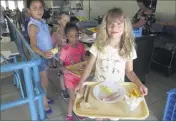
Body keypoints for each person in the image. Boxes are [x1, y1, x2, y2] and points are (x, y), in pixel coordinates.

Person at [75, 8, 148, 120]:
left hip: (117, 89)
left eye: (119, 24)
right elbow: (89, 66)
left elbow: (129, 71)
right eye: (111, 24)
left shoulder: (128, 48)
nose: (114, 28)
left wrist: (139, 84)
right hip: (98, 87)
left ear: (125, 27)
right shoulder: (98, 45)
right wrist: (80, 83)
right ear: (105, 26)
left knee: (114, 116)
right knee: (98, 115)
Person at [27, 0, 54, 114]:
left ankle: (45, 97)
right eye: (35, 8)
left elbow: (45, 38)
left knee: (46, 79)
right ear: (29, 11)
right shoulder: (33, 25)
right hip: (40, 58)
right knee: (43, 81)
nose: (39, 10)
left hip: (46, 56)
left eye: (41, 7)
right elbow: (33, 46)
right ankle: (44, 103)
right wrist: (43, 53)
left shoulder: (42, 21)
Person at [59, 23, 86, 121]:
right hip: (69, 78)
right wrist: (64, 69)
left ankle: (78, 112)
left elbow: (83, 59)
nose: (74, 38)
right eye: (71, 36)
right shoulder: (65, 50)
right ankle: (69, 115)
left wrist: (86, 65)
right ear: (66, 36)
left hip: (80, 77)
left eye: (76, 36)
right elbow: (60, 64)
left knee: (80, 95)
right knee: (72, 97)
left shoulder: (81, 46)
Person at [51, 12, 70, 99]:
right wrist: (56, 51)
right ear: (59, 21)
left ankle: (70, 85)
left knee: (70, 71)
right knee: (62, 72)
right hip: (61, 56)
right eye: (65, 20)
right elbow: (52, 46)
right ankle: (63, 89)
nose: (67, 22)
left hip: (71, 55)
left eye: (68, 20)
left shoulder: (69, 31)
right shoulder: (56, 33)